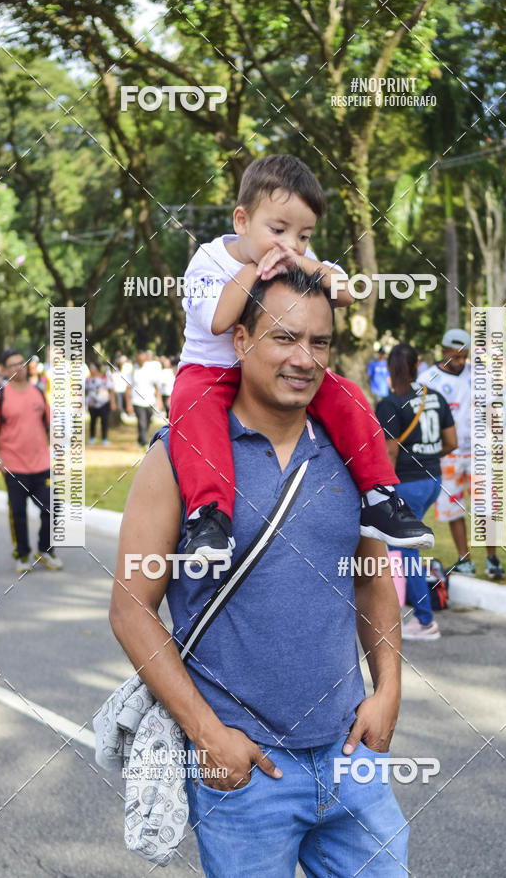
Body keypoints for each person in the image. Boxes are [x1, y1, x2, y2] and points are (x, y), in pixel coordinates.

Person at [110, 268, 409, 876]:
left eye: (319, 343)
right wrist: (207, 736)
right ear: (241, 340)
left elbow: (371, 577)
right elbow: (129, 609)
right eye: (284, 338)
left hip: (351, 758)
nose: (304, 359)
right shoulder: (181, 458)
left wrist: (389, 690)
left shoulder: (352, 450)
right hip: (246, 775)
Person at [169, 153, 433, 561]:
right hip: (213, 371)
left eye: (304, 235)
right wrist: (256, 268)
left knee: (347, 395)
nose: (291, 244)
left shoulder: (297, 261)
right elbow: (220, 320)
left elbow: (348, 292)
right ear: (242, 221)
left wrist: (305, 263)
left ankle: (379, 497)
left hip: (283, 369)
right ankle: (210, 517)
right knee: (191, 407)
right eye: (278, 230)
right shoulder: (209, 261)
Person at [377, 344, 458, 640]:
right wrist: (427, 455)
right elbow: (451, 441)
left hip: (406, 483)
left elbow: (389, 452)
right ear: (418, 363)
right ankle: (417, 615)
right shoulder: (434, 397)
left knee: (403, 549)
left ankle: (425, 622)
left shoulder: (390, 403)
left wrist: (382, 490)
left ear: (389, 368)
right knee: (406, 547)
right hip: (432, 480)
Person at [419, 329, 505, 580]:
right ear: (443, 351)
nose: (459, 362)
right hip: (446, 456)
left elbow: (491, 410)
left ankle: (492, 558)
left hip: (478, 453)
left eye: (464, 357)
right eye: (455, 357)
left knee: (486, 505)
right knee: (453, 508)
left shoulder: (478, 375)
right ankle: (464, 558)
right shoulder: (428, 379)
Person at [0, 349, 63, 573]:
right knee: (18, 513)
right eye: (12, 364)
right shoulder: (0, 396)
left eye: (22, 363)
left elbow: (50, 425)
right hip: (14, 466)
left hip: (41, 464)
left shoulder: (38, 393)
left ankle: (45, 549)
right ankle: (23, 554)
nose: (19, 367)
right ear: (5, 369)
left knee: (52, 509)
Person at [125, 350, 163, 449]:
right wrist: (128, 404)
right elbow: (128, 388)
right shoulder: (133, 372)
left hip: (149, 400)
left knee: (148, 420)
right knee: (142, 422)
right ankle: (145, 442)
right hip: (137, 401)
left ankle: (140, 438)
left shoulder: (150, 371)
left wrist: (159, 400)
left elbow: (156, 386)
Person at [85, 360, 116, 445]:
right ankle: (92, 437)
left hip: (104, 403)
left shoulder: (105, 379)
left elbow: (111, 390)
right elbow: (85, 391)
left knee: (104, 421)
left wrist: (113, 403)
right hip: (92, 404)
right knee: (92, 421)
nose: (91, 370)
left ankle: (104, 438)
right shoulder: (88, 379)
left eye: (93, 368)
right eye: (90, 368)